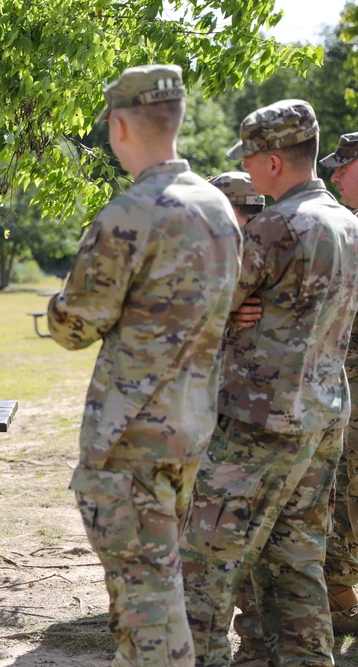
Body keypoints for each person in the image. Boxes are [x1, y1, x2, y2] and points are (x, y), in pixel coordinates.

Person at [46, 64, 242, 666]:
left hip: (129, 441)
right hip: (189, 432)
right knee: (154, 594)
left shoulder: (130, 213)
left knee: (147, 607)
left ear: (120, 126)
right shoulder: (219, 208)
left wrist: (56, 305)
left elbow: (74, 327)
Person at [180, 101, 358, 667]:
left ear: (275, 161)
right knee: (296, 561)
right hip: (324, 417)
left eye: (252, 159)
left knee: (202, 567)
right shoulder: (349, 224)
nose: (249, 171)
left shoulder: (277, 226)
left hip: (262, 422)